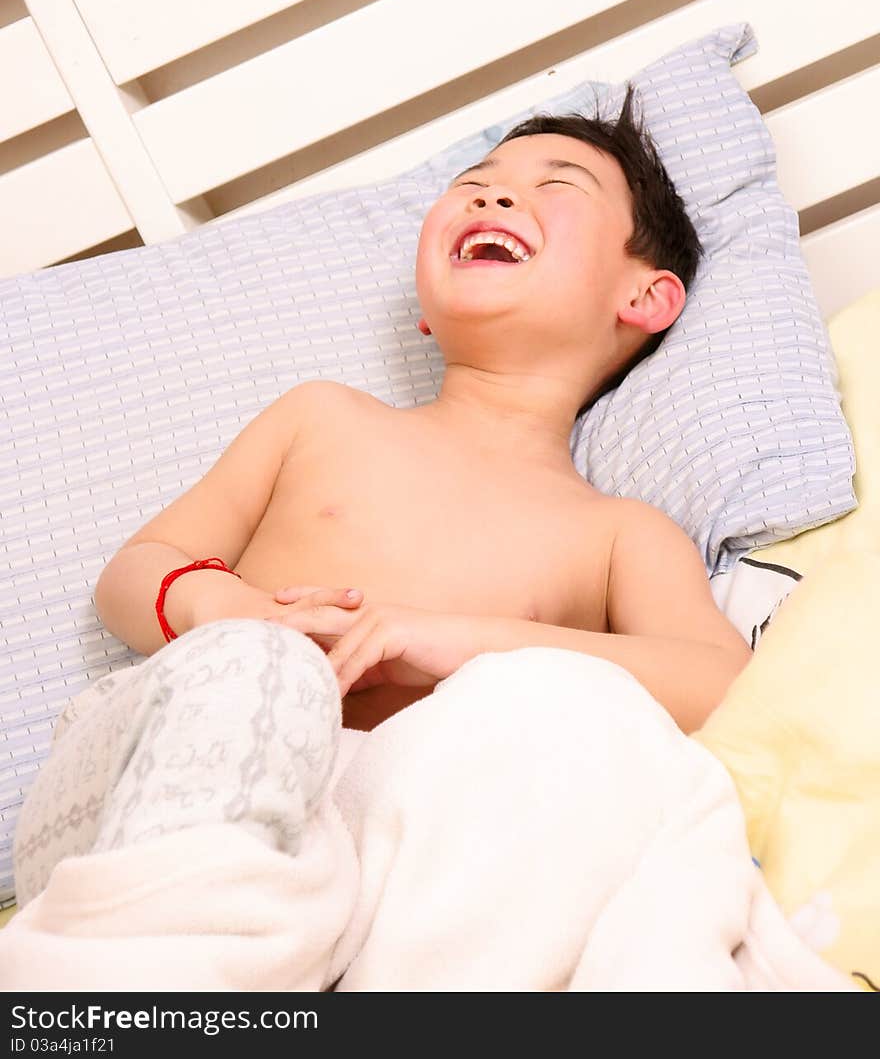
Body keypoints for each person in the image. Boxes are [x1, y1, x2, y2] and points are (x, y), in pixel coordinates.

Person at [5, 87, 754, 992]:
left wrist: (448, 643)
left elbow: (717, 681)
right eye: (475, 184)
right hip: (146, 803)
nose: (492, 197)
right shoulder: (324, 419)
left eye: (557, 185)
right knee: (261, 676)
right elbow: (133, 575)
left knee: (578, 725)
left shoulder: (615, 532)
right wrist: (234, 615)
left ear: (647, 296)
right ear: (425, 313)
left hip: (369, 862)